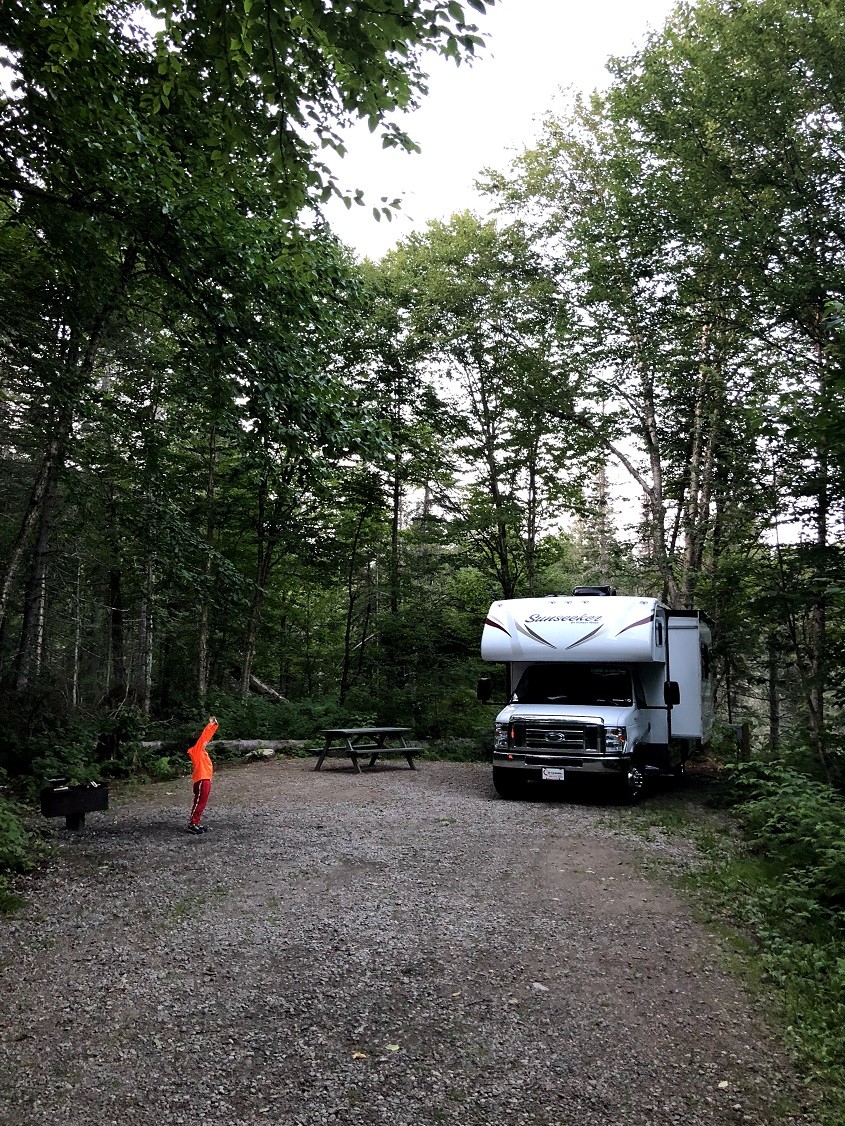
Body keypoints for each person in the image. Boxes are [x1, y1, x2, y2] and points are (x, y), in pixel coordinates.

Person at [186, 715, 218, 835]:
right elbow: (204, 736)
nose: (205, 742)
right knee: (200, 803)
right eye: (202, 742)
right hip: (202, 780)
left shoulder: (201, 751)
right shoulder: (196, 750)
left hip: (205, 780)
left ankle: (196, 822)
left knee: (201, 803)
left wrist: (213, 726)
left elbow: (206, 738)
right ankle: (192, 824)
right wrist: (211, 725)